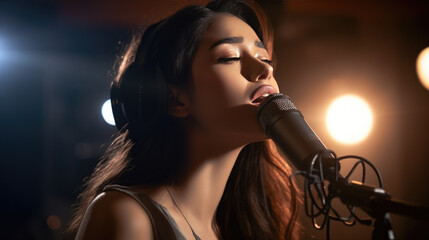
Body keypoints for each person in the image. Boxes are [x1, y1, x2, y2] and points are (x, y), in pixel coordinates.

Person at [66, 0, 300, 239]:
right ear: (177, 100)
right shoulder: (128, 215)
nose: (264, 70)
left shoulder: (243, 228)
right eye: (229, 57)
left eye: (265, 58)